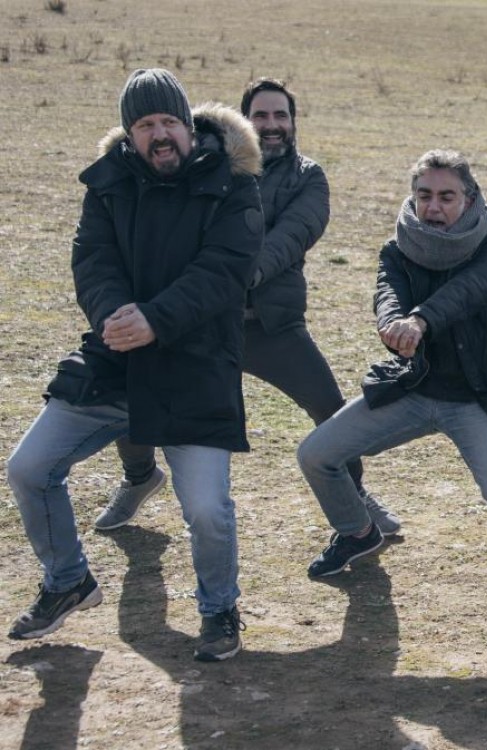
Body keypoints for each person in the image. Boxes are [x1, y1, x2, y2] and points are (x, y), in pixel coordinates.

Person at [6, 69, 263, 661]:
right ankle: (67, 580)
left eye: (169, 121)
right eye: (145, 125)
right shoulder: (107, 183)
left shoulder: (233, 185)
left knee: (207, 510)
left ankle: (219, 609)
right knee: (29, 468)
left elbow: (225, 271)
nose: (160, 134)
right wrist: (112, 316)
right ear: (129, 134)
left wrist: (156, 319)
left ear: (189, 126)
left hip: (196, 367)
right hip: (115, 360)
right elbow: (91, 260)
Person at [93, 78, 400, 538]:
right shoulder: (210, 165)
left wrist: (230, 278)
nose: (271, 125)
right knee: (129, 389)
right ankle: (139, 477)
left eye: (281, 116)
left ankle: (355, 494)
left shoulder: (308, 178)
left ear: (293, 122)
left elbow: (291, 237)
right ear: (243, 121)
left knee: (328, 407)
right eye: (261, 115)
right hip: (194, 323)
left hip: (268, 325)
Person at [296, 150, 487, 604]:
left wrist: (420, 320)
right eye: (424, 195)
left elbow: (468, 291)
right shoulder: (397, 248)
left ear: (469, 199)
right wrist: (391, 322)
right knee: (315, 455)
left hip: (477, 397)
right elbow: (388, 293)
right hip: (413, 388)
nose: (434, 207)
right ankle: (357, 532)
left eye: (447, 197)